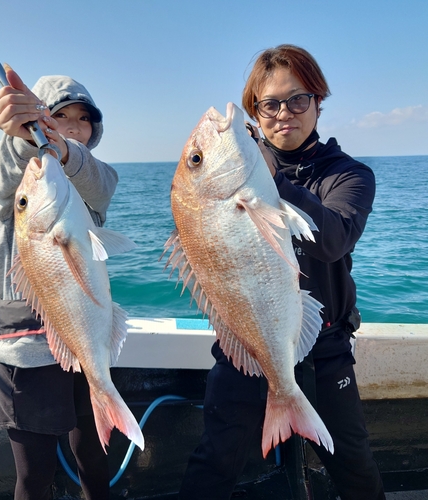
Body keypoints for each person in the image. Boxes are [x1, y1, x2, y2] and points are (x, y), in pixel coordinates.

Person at [179, 44, 385, 500]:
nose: (283, 113)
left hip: (325, 351)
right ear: (255, 112)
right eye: (269, 104)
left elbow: (332, 239)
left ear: (318, 102)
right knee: (213, 465)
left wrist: (270, 181)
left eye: (298, 99)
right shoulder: (241, 179)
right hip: (244, 345)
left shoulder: (348, 175)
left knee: (357, 472)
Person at [0, 67, 118, 500]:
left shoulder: (87, 174)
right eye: (60, 116)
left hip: (86, 330)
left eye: (83, 119)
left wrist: (63, 148)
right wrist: (24, 138)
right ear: (38, 120)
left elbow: (102, 184)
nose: (73, 126)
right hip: (27, 342)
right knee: (33, 474)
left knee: (94, 458)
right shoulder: (17, 172)